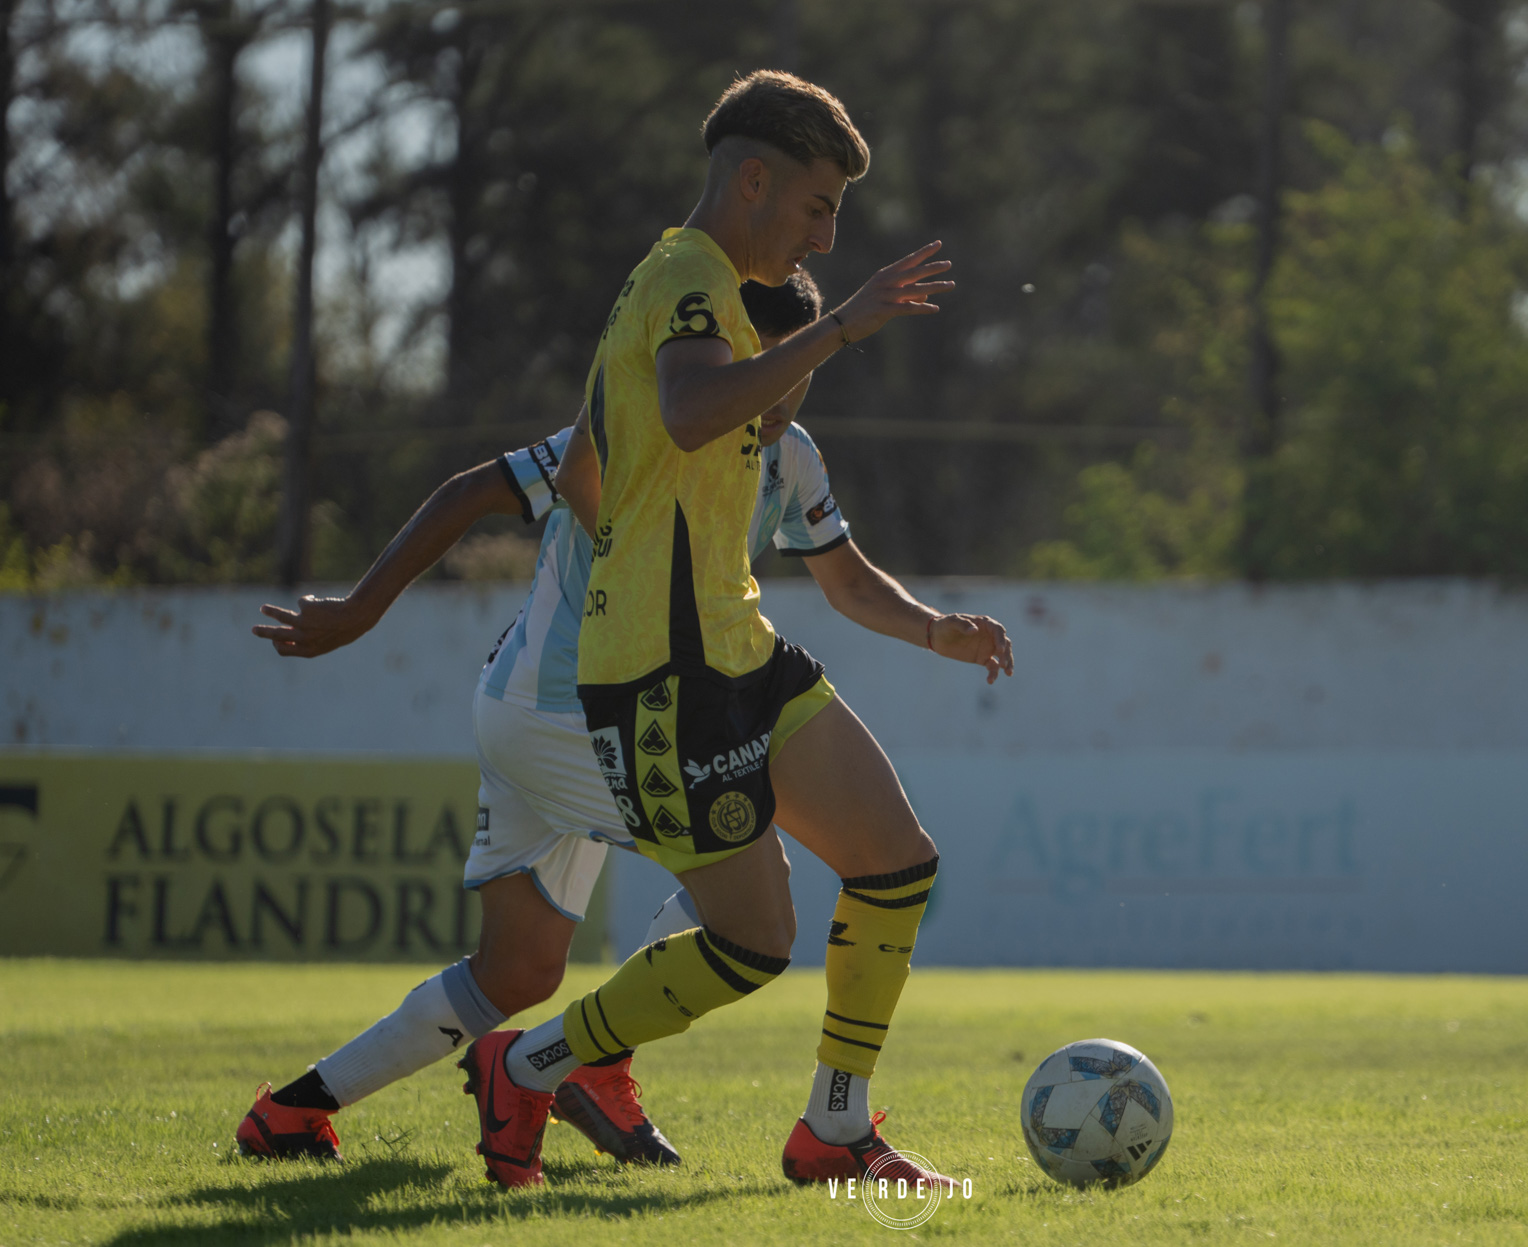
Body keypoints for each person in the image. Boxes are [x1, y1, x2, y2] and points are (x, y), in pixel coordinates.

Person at [235, 270, 1012, 1178]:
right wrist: (364, 607)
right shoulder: (646, 429)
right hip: (560, 711)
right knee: (752, 907)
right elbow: (471, 489)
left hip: (622, 710)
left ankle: (290, 1111)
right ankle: (577, 1061)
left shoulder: (789, 454)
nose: (781, 396)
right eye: (767, 367)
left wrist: (931, 626)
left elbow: (843, 577)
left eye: (800, 374)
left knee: (516, 971)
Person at [461, 69, 994, 1192]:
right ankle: (531, 1062)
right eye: (816, 206)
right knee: (752, 945)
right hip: (662, 675)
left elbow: (599, 462)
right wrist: (841, 330)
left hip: (736, 648)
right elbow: (699, 410)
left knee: (896, 863)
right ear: (752, 179)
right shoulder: (687, 276)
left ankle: (834, 1130)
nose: (827, 234)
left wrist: (936, 629)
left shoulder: (673, 287)